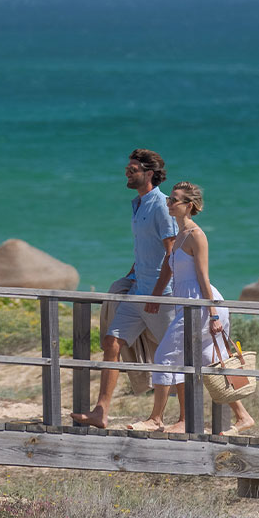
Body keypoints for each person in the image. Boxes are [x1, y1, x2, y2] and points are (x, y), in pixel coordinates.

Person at [132, 182, 255, 433]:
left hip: (201, 306)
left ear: (188, 206)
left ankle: (155, 419)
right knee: (213, 361)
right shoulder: (179, 236)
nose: (169, 203)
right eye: (169, 199)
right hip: (188, 306)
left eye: (174, 200)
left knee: (165, 356)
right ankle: (243, 417)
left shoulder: (196, 235)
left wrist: (212, 314)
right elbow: (171, 269)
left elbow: (202, 276)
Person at [71, 148, 177, 428]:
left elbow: (172, 254)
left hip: (160, 295)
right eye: (127, 169)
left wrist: (157, 294)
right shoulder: (138, 204)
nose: (127, 174)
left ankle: (186, 417)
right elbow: (148, 246)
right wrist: (134, 270)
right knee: (111, 342)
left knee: (177, 357)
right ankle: (100, 412)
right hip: (137, 290)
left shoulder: (163, 207)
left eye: (133, 170)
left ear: (149, 174)